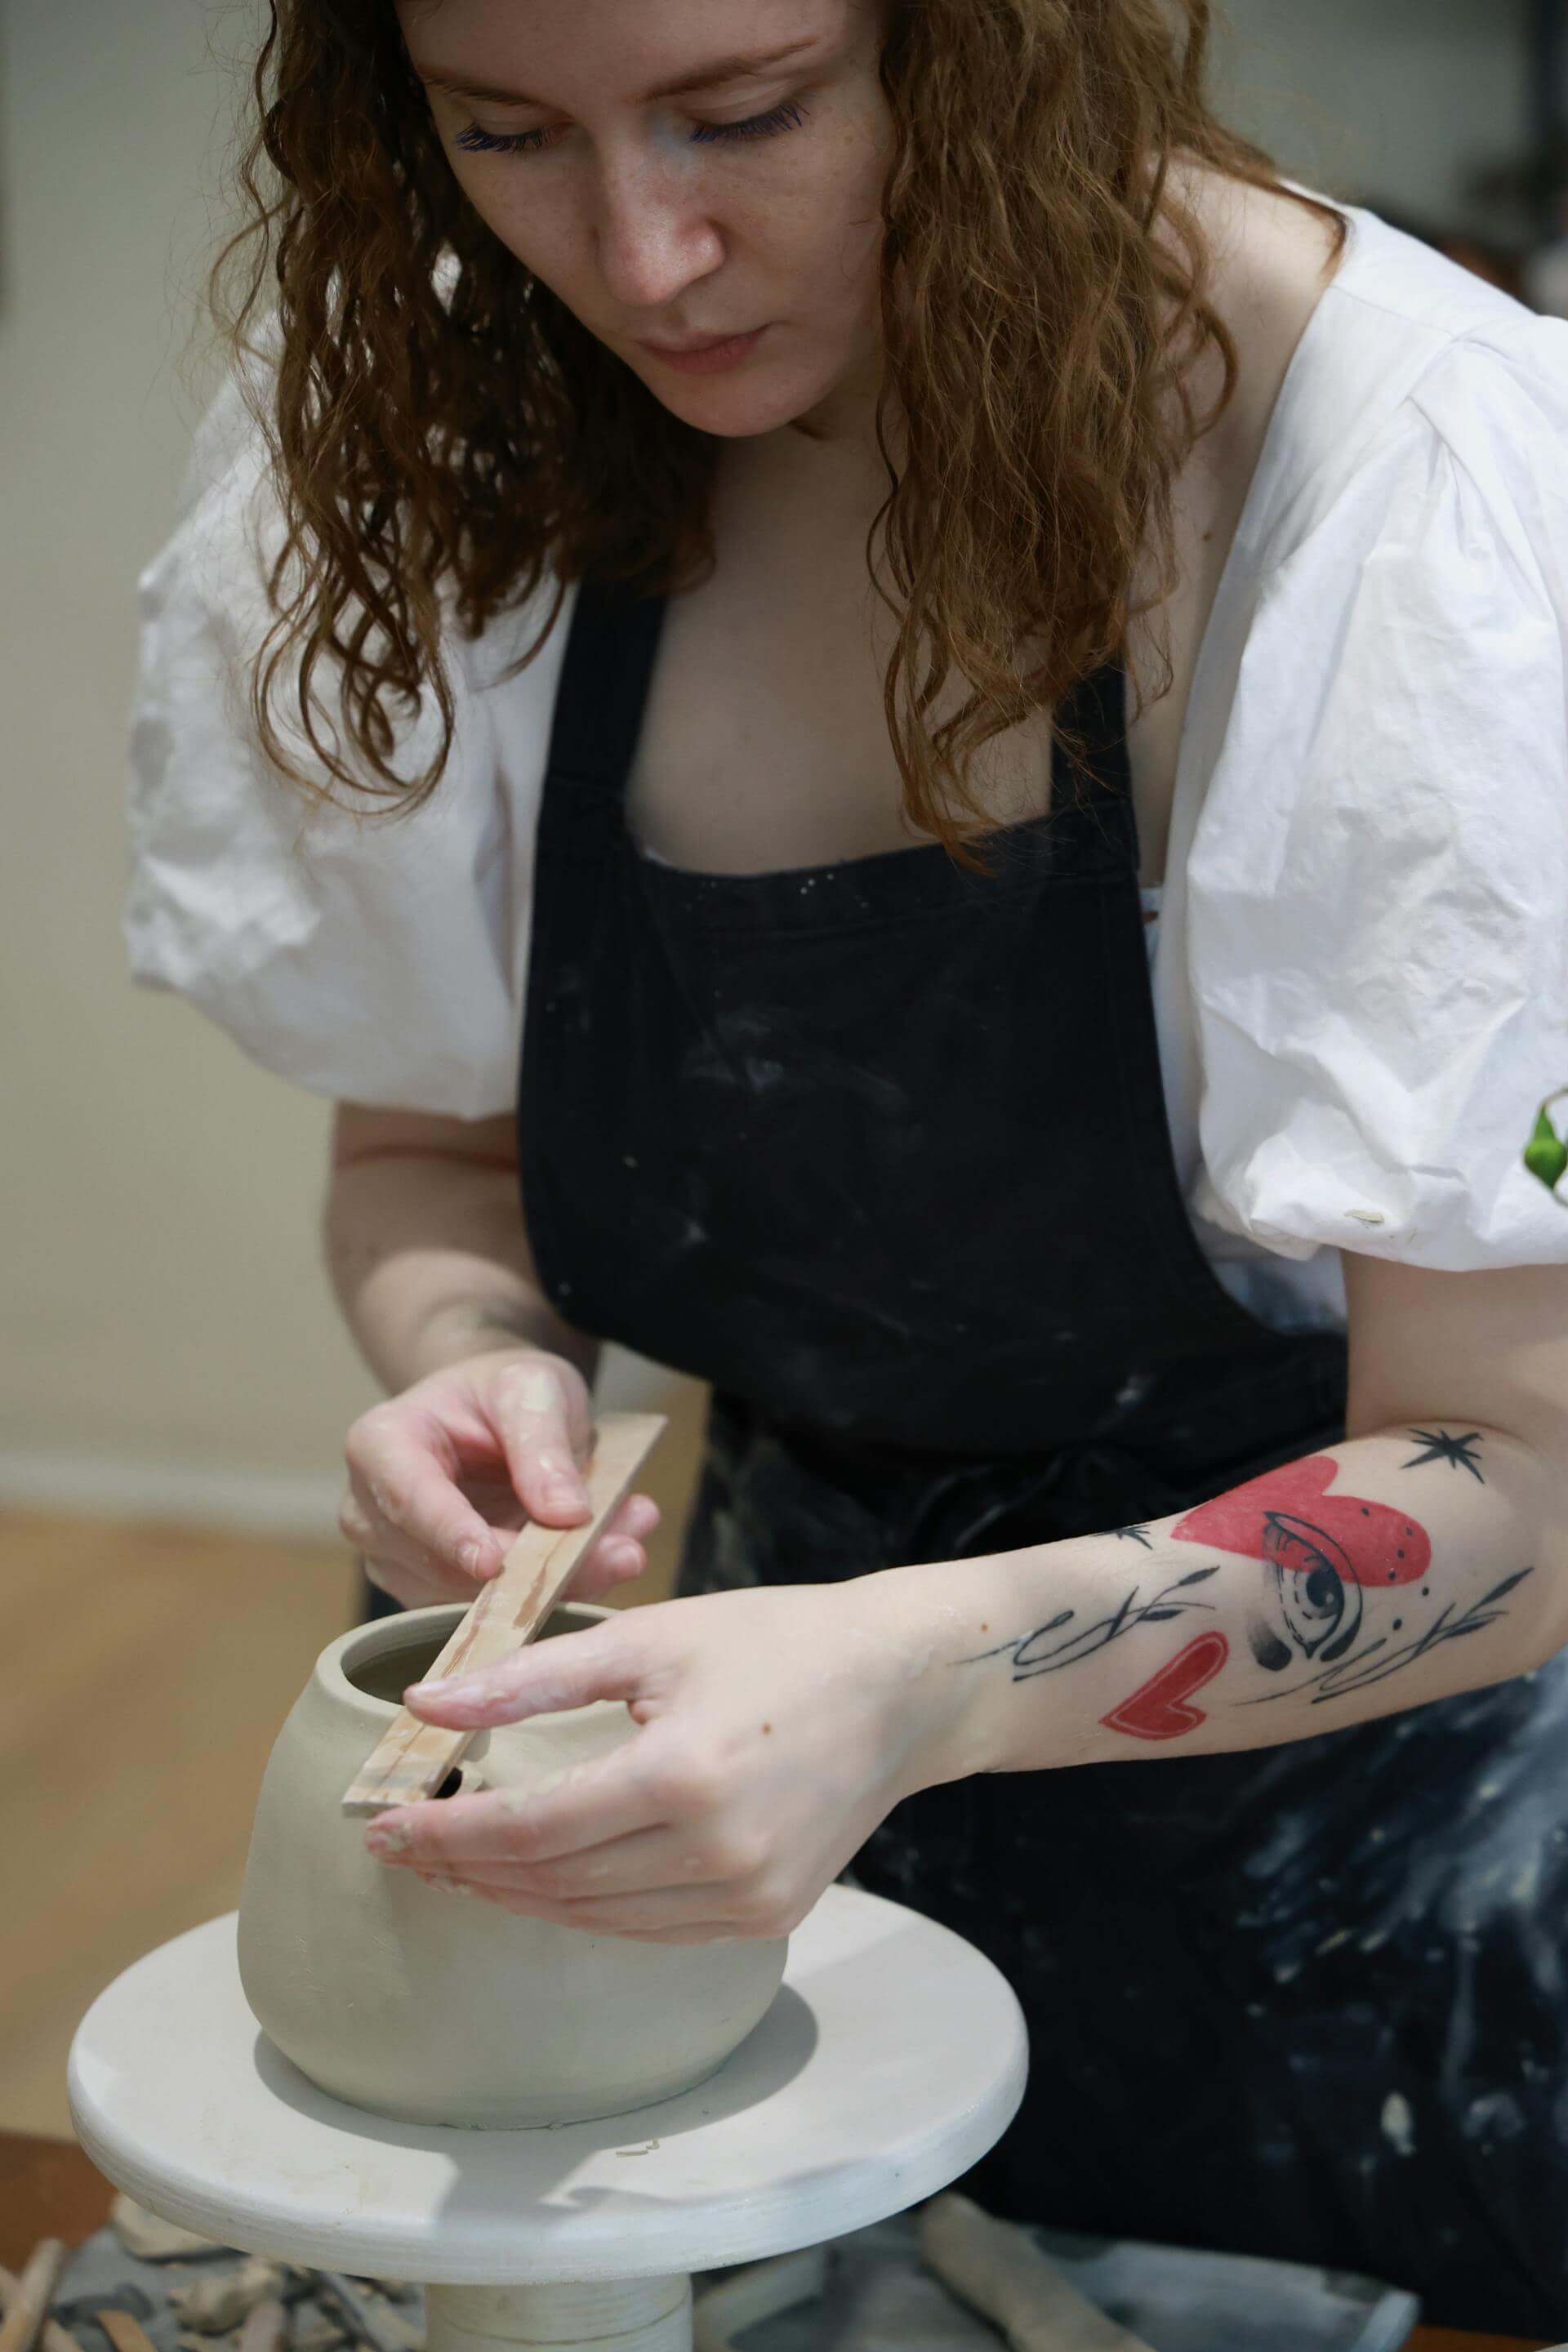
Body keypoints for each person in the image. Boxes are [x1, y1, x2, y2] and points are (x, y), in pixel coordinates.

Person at [124, 0, 1568, 2327]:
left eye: (748, 107)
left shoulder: (1399, 479)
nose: (646, 251)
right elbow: (422, 1151)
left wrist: (921, 1680)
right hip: (739, 1838)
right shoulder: (464, 419)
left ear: (989, 48)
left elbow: (1533, 1472)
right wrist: (474, 1364)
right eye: (509, 132)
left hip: (1380, 1876)